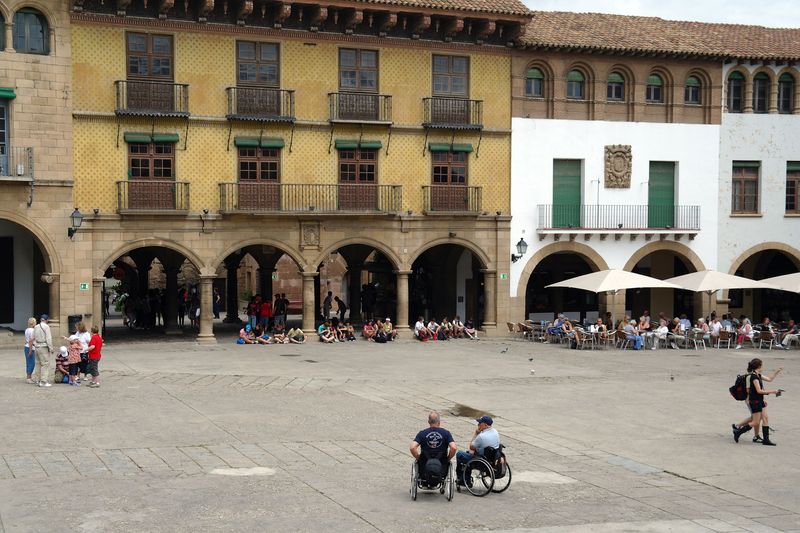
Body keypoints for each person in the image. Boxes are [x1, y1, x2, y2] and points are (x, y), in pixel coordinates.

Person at [732, 359, 782, 446]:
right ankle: (739, 430)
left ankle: (766, 440)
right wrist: (771, 392)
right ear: (758, 366)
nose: (763, 367)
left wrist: (777, 371)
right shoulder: (751, 377)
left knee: (765, 418)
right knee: (756, 421)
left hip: (760, 399)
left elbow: (770, 379)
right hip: (753, 400)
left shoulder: (758, 375)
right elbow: (753, 390)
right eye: (762, 365)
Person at [410, 411, 457, 488]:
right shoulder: (446, 433)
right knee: (446, 463)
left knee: (420, 462)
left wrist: (418, 457)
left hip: (424, 465)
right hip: (441, 465)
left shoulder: (422, 433)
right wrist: (448, 458)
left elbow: (412, 447)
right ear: (439, 422)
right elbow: (454, 447)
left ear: (428, 422)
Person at [456, 415, 501, 485]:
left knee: (460, 454)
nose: (478, 424)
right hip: (492, 458)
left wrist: (476, 434)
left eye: (480, 423)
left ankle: (463, 479)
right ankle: (465, 477)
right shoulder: (495, 432)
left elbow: (471, 446)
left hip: (481, 461)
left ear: (485, 425)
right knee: (468, 453)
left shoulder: (481, 437)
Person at [32, 314, 54, 388]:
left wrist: (35, 344)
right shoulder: (46, 326)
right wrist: (51, 348)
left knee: (38, 363)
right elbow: (48, 338)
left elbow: (32, 337)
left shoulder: (36, 326)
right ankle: (43, 381)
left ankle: (37, 380)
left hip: (37, 346)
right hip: (44, 347)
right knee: (45, 364)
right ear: (46, 320)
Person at [24, 317, 36, 384]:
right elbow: (31, 341)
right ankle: (29, 377)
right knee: (32, 363)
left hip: (26, 346)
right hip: (30, 347)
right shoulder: (32, 330)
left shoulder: (27, 330)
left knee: (29, 363)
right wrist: (31, 350)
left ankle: (29, 377)